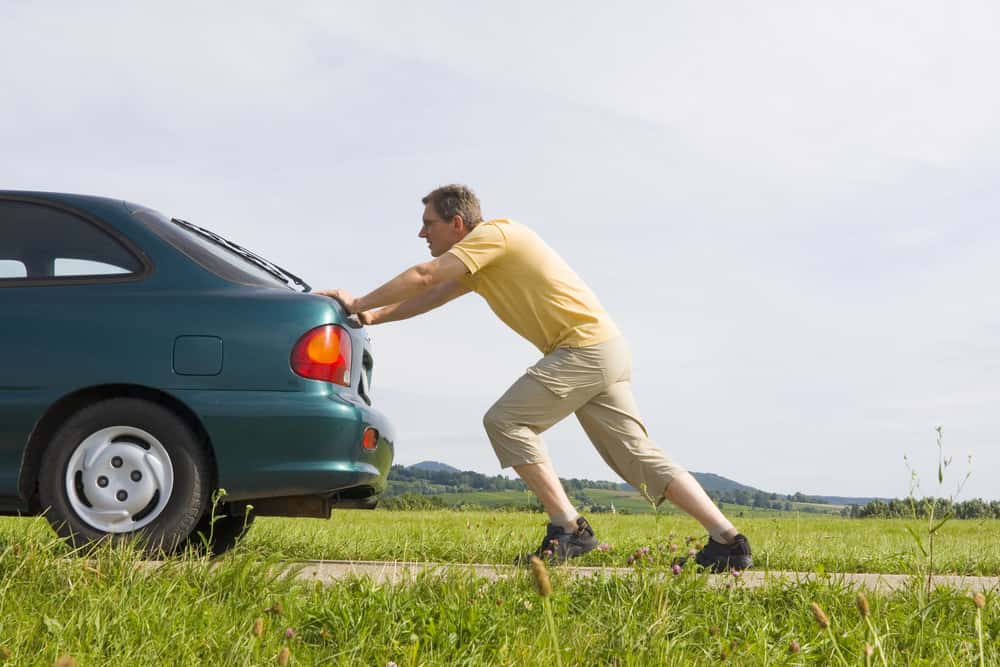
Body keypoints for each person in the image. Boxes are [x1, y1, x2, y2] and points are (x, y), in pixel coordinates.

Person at [318, 184, 752, 571]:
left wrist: (356, 301)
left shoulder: (496, 235)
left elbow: (424, 276)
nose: (421, 233)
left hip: (583, 349)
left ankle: (569, 528)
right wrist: (370, 315)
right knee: (636, 455)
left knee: (506, 421)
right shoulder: (481, 261)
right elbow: (432, 293)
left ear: (457, 224)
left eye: (428, 224)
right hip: (604, 349)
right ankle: (728, 542)